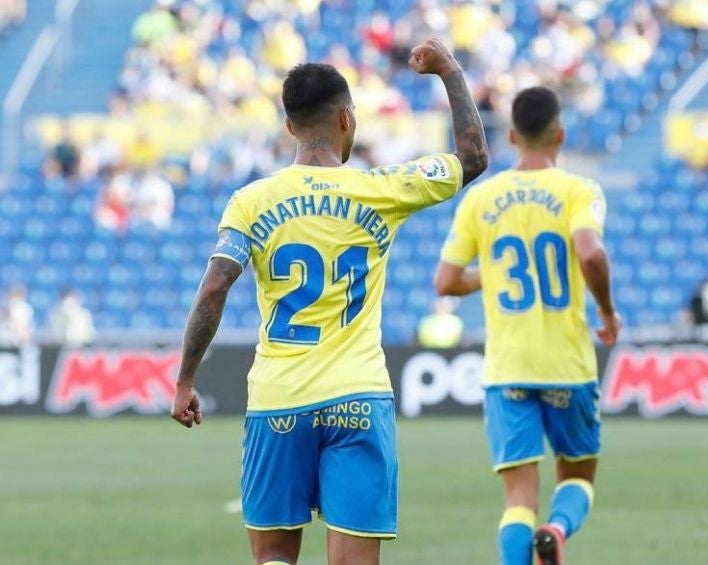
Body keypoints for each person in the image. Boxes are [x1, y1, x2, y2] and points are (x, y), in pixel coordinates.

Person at [170, 38, 487, 565]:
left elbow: (214, 287)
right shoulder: (383, 188)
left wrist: (185, 379)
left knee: (274, 558)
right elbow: (472, 157)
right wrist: (450, 70)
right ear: (347, 118)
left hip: (278, 402)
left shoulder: (251, 200)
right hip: (359, 397)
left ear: (290, 126)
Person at [434, 86, 619, 565]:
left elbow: (445, 282)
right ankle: (556, 530)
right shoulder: (579, 190)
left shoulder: (482, 199)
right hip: (567, 365)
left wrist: (490, 274)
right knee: (577, 478)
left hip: (507, 367)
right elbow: (591, 252)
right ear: (560, 134)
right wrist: (607, 311)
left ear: (512, 136)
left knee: (518, 499)